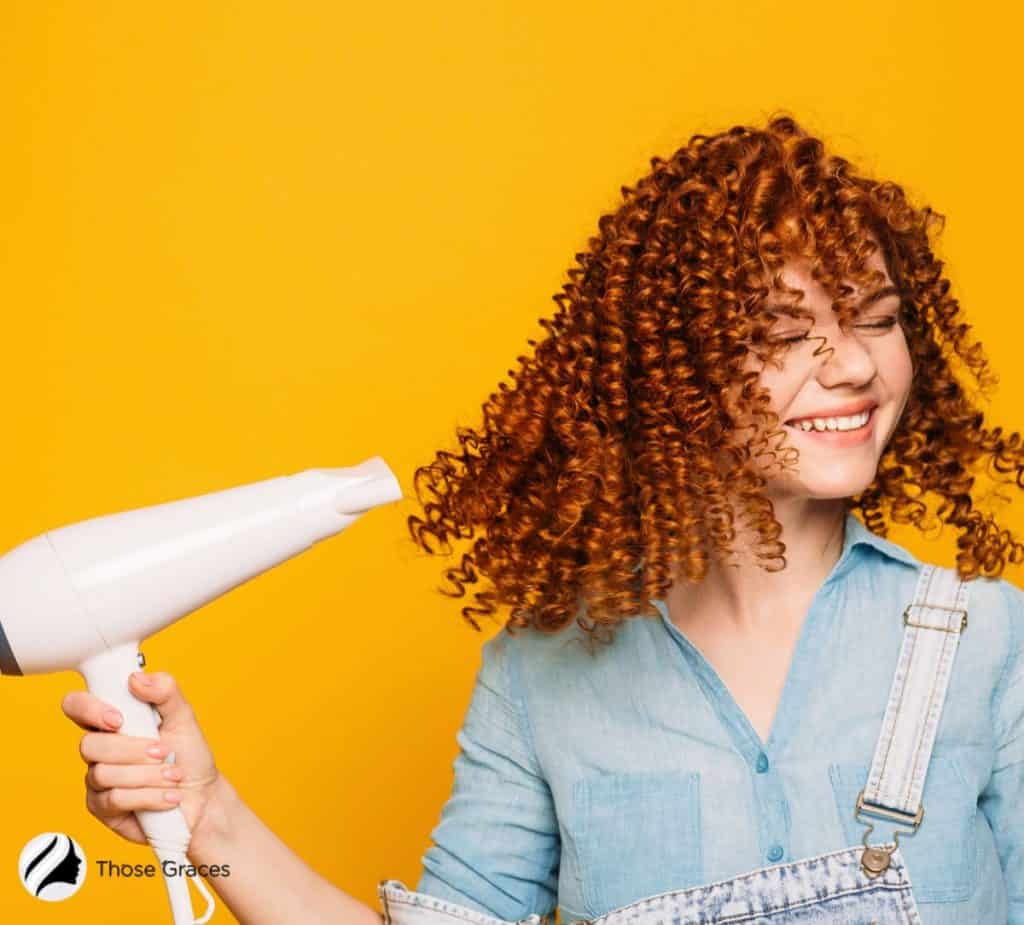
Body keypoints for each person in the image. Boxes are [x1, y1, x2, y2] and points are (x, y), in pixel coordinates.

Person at [61, 115, 1023, 924]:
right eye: (779, 331)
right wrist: (211, 816)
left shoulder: (990, 643)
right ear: (671, 369)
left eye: (880, 316)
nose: (853, 365)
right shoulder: (542, 678)